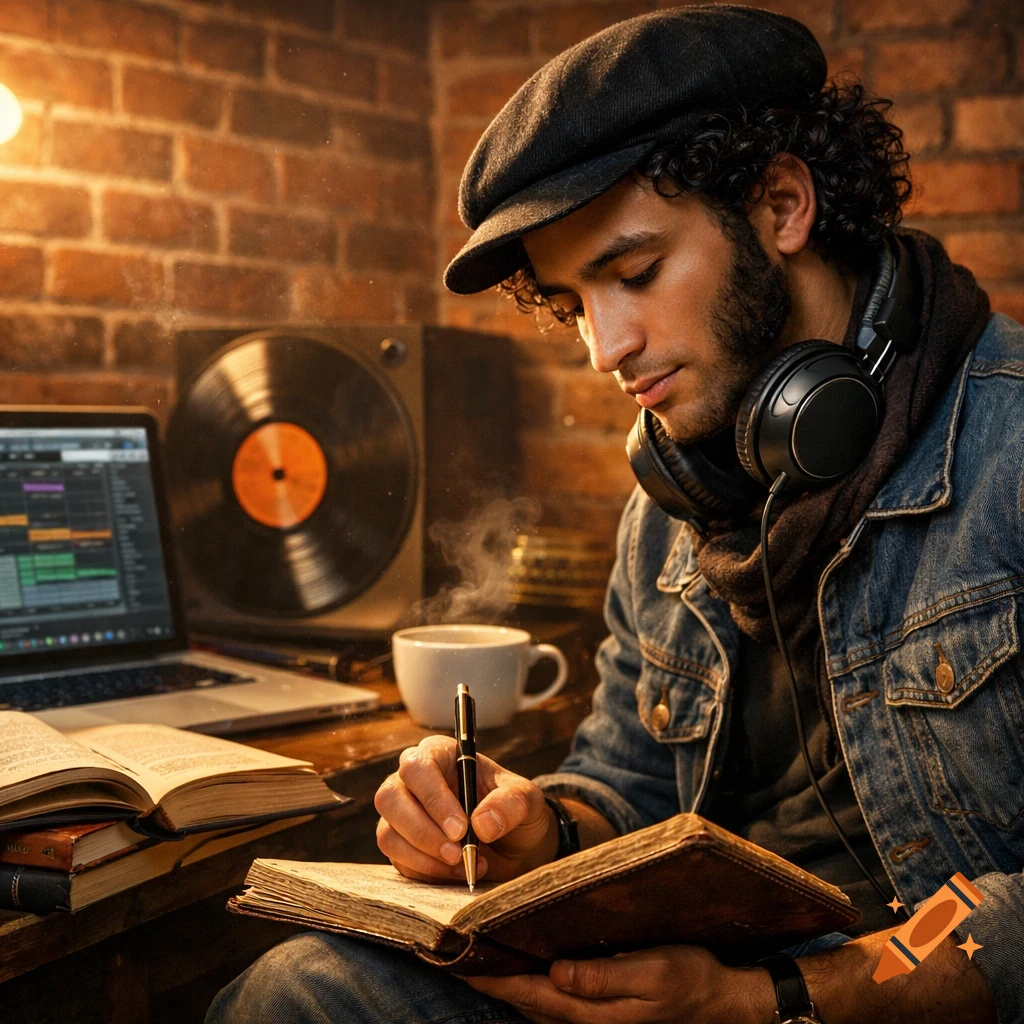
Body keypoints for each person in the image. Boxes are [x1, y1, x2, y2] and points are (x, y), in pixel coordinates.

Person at [207, 7, 1022, 1023]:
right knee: (298, 990)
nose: (604, 348)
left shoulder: (1008, 452)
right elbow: (626, 780)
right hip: (675, 977)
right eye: (573, 301)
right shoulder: (672, 497)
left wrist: (766, 1001)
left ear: (781, 205)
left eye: (634, 274)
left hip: (877, 991)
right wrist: (537, 826)